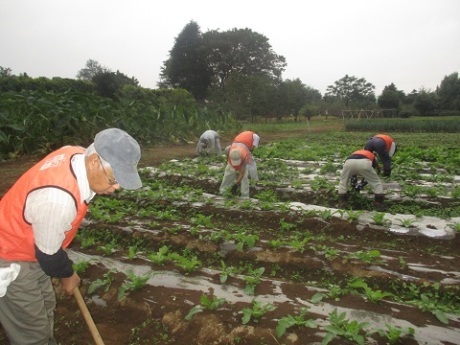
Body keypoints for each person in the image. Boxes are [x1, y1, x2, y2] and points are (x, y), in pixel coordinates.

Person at [0, 128, 142, 344]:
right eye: (114, 179)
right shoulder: (58, 199)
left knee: (47, 306)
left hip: (32, 247)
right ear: (94, 161)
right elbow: (48, 255)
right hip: (10, 255)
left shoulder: (76, 154)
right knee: (31, 332)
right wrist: (68, 275)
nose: (116, 187)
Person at [219, 131, 260, 198]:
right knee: (228, 172)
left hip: (244, 148)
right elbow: (228, 159)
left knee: (245, 175)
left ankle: (245, 194)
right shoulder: (228, 150)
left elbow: (242, 172)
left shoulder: (245, 155)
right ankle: (223, 191)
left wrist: (237, 183)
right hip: (238, 143)